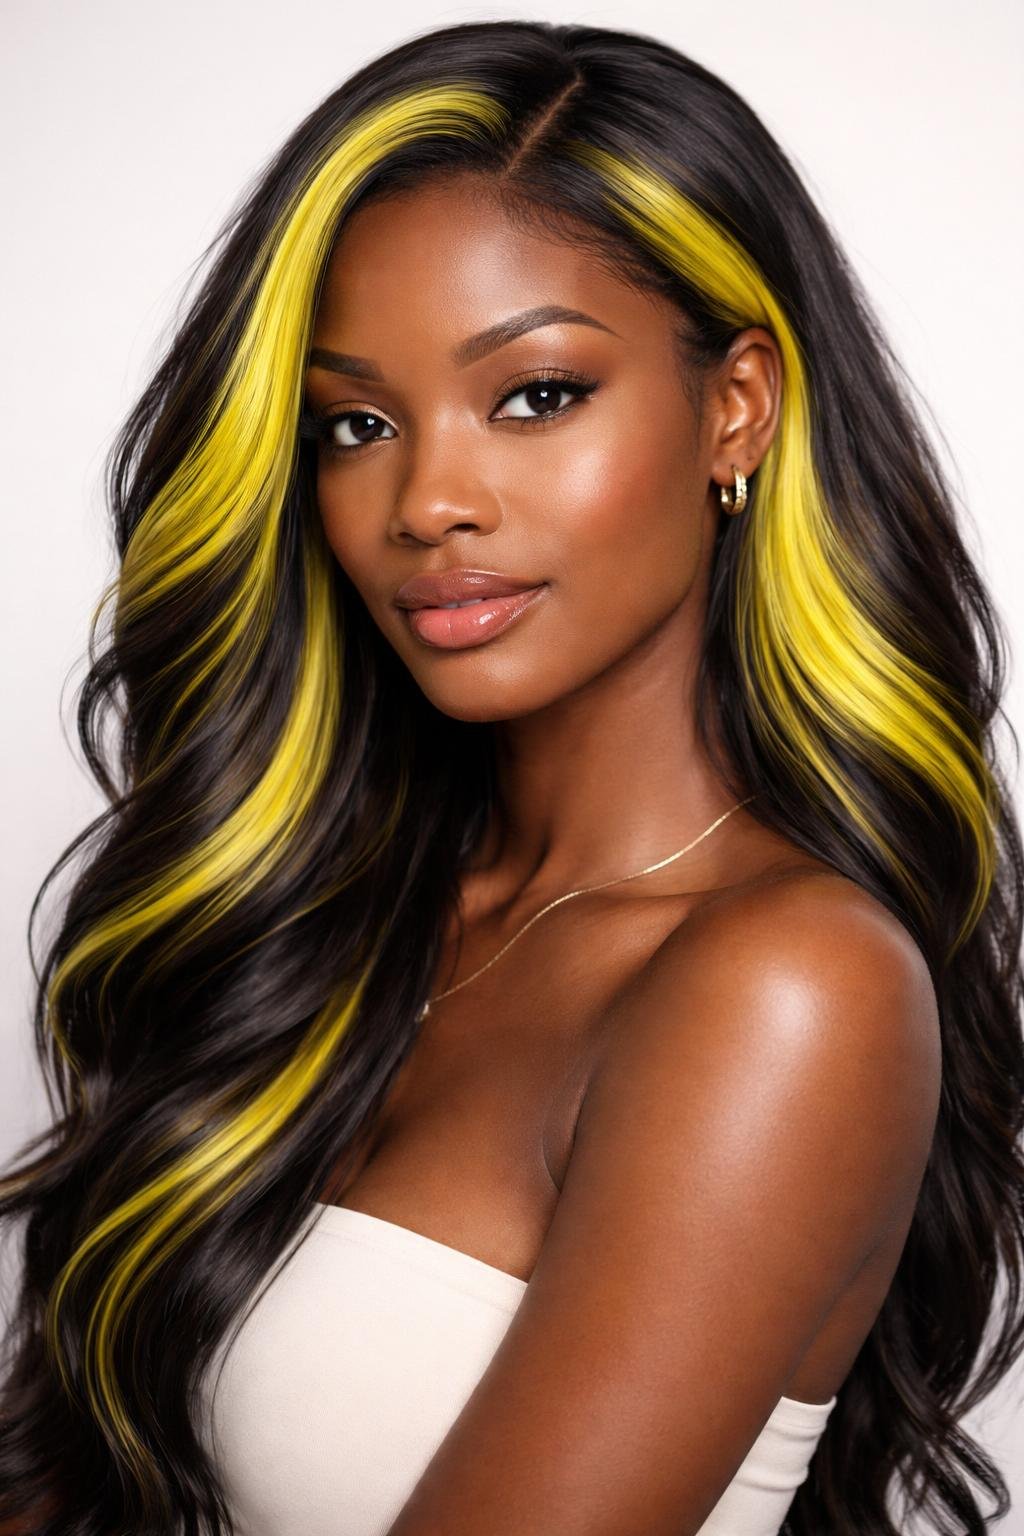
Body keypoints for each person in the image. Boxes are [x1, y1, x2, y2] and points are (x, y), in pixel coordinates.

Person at [1, 18, 1022, 1536]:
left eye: (536, 394)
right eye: (356, 424)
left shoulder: (787, 988)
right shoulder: (338, 912)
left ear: (736, 406)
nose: (429, 502)